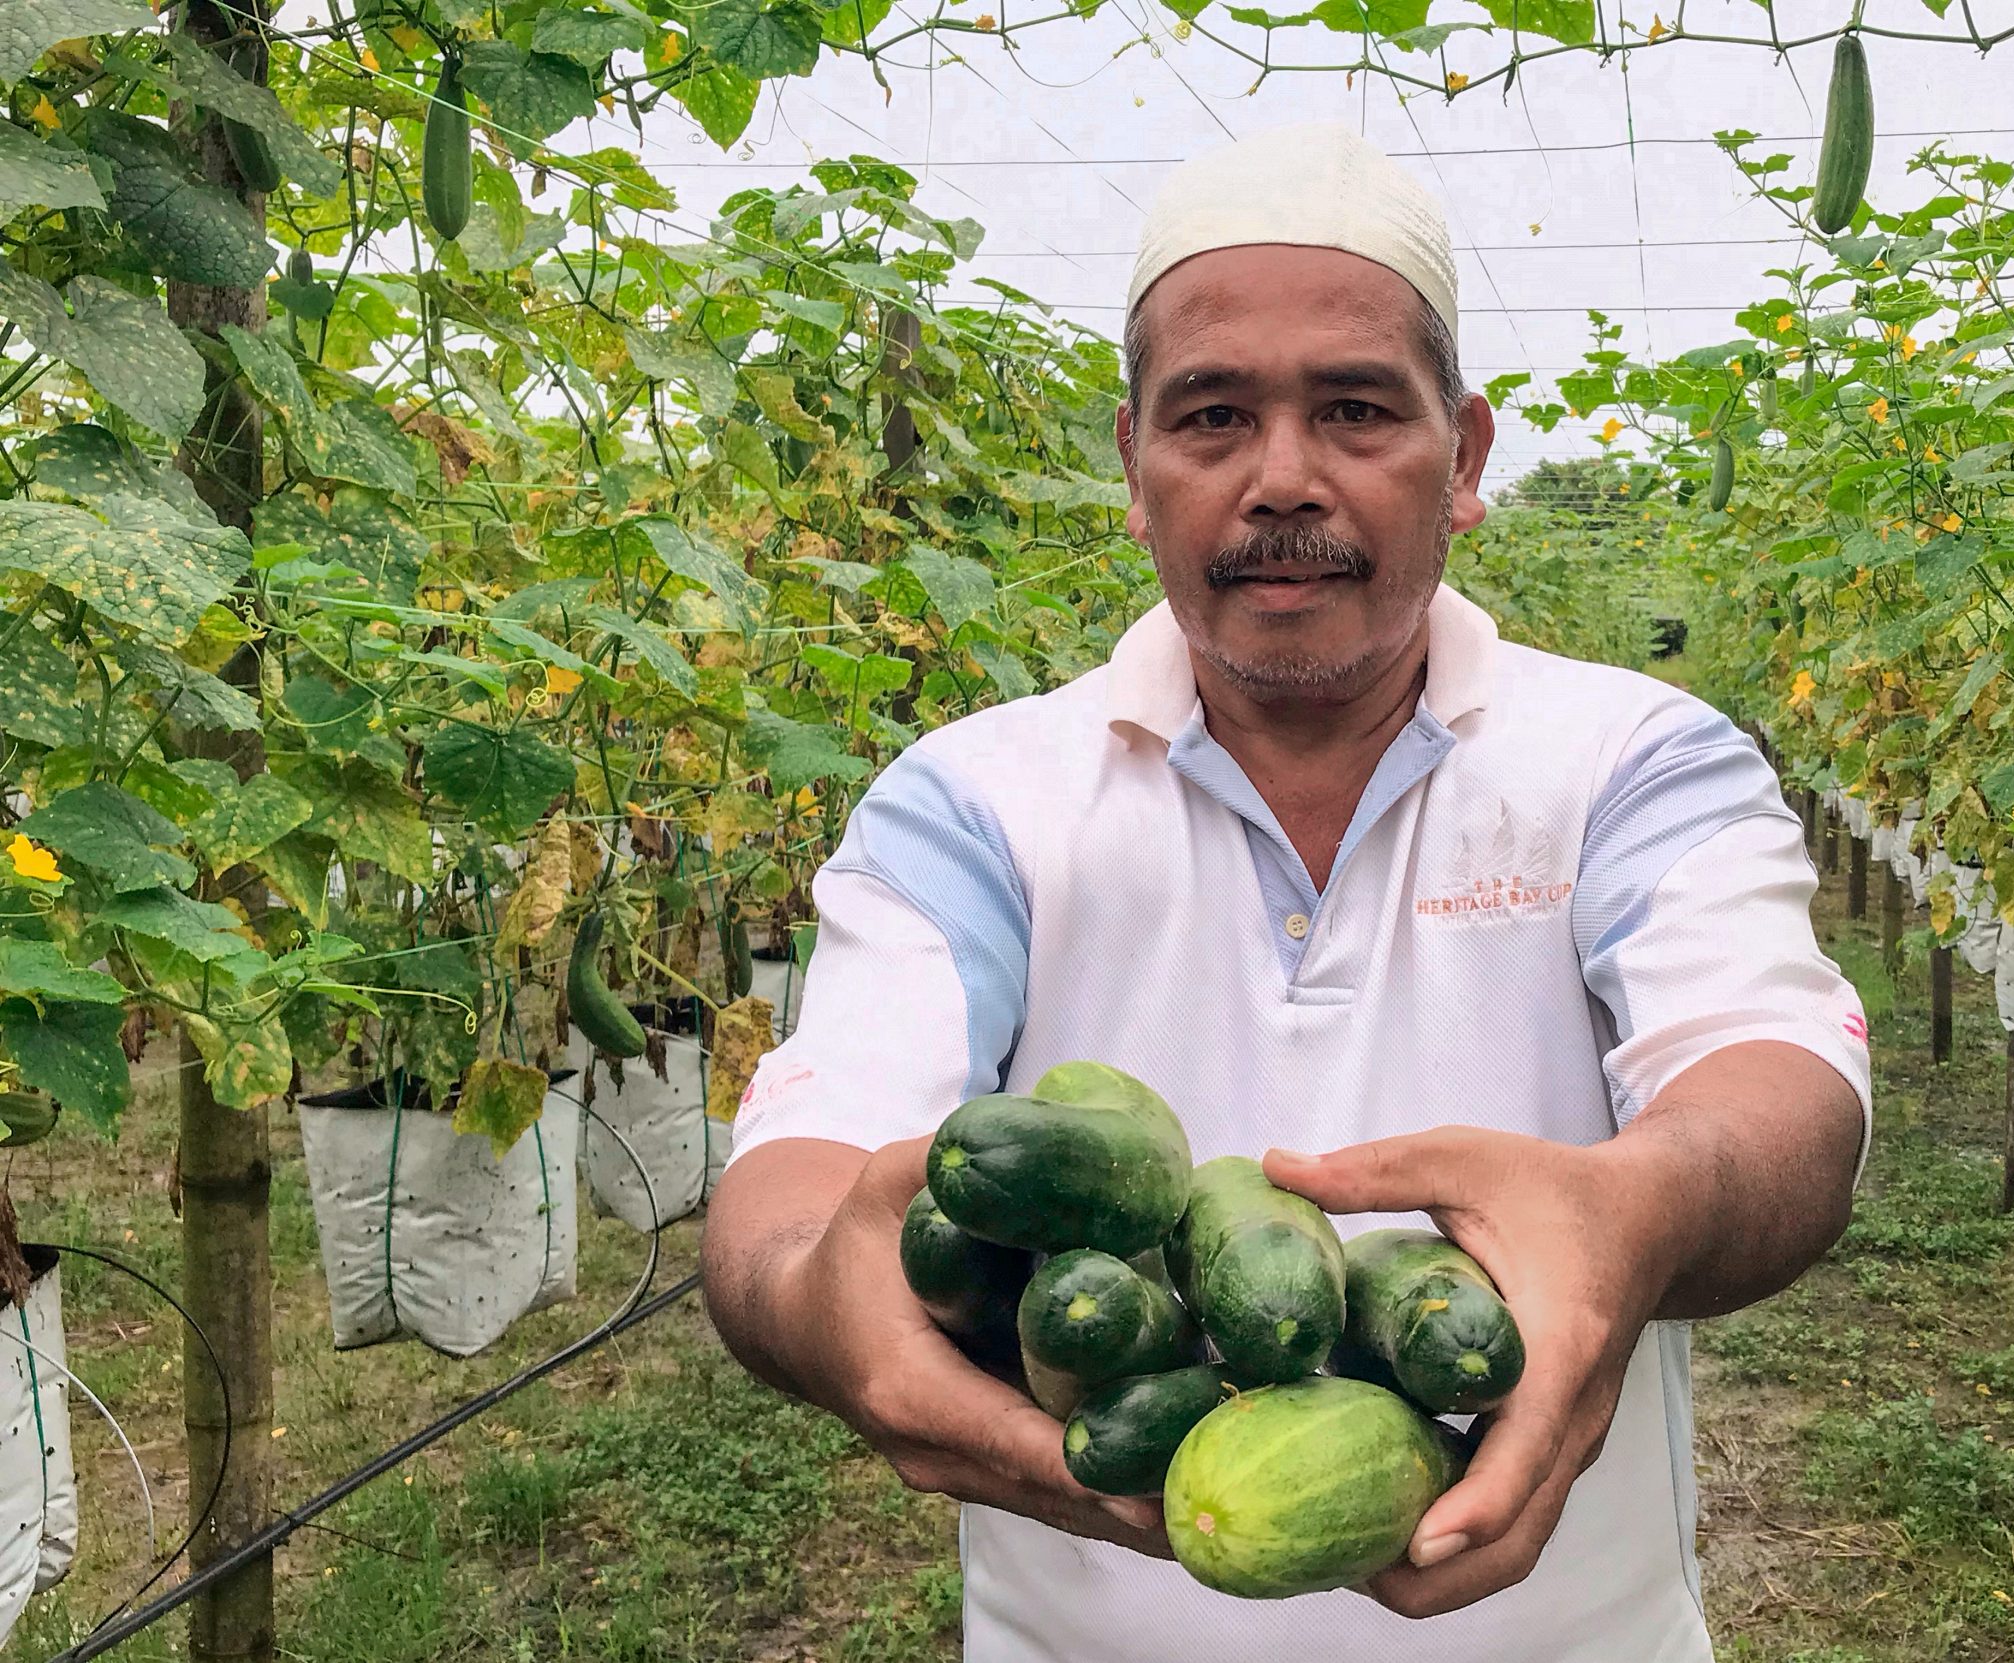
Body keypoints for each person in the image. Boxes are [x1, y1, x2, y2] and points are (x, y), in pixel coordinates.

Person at [703, 121, 1870, 1663]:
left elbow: (1775, 1080)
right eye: (1211, 418)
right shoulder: (973, 799)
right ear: (1134, 467)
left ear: (1463, 462)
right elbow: (801, 1174)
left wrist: (1645, 1207)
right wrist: (811, 1293)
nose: (1282, 479)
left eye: (1356, 410)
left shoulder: (1635, 757)